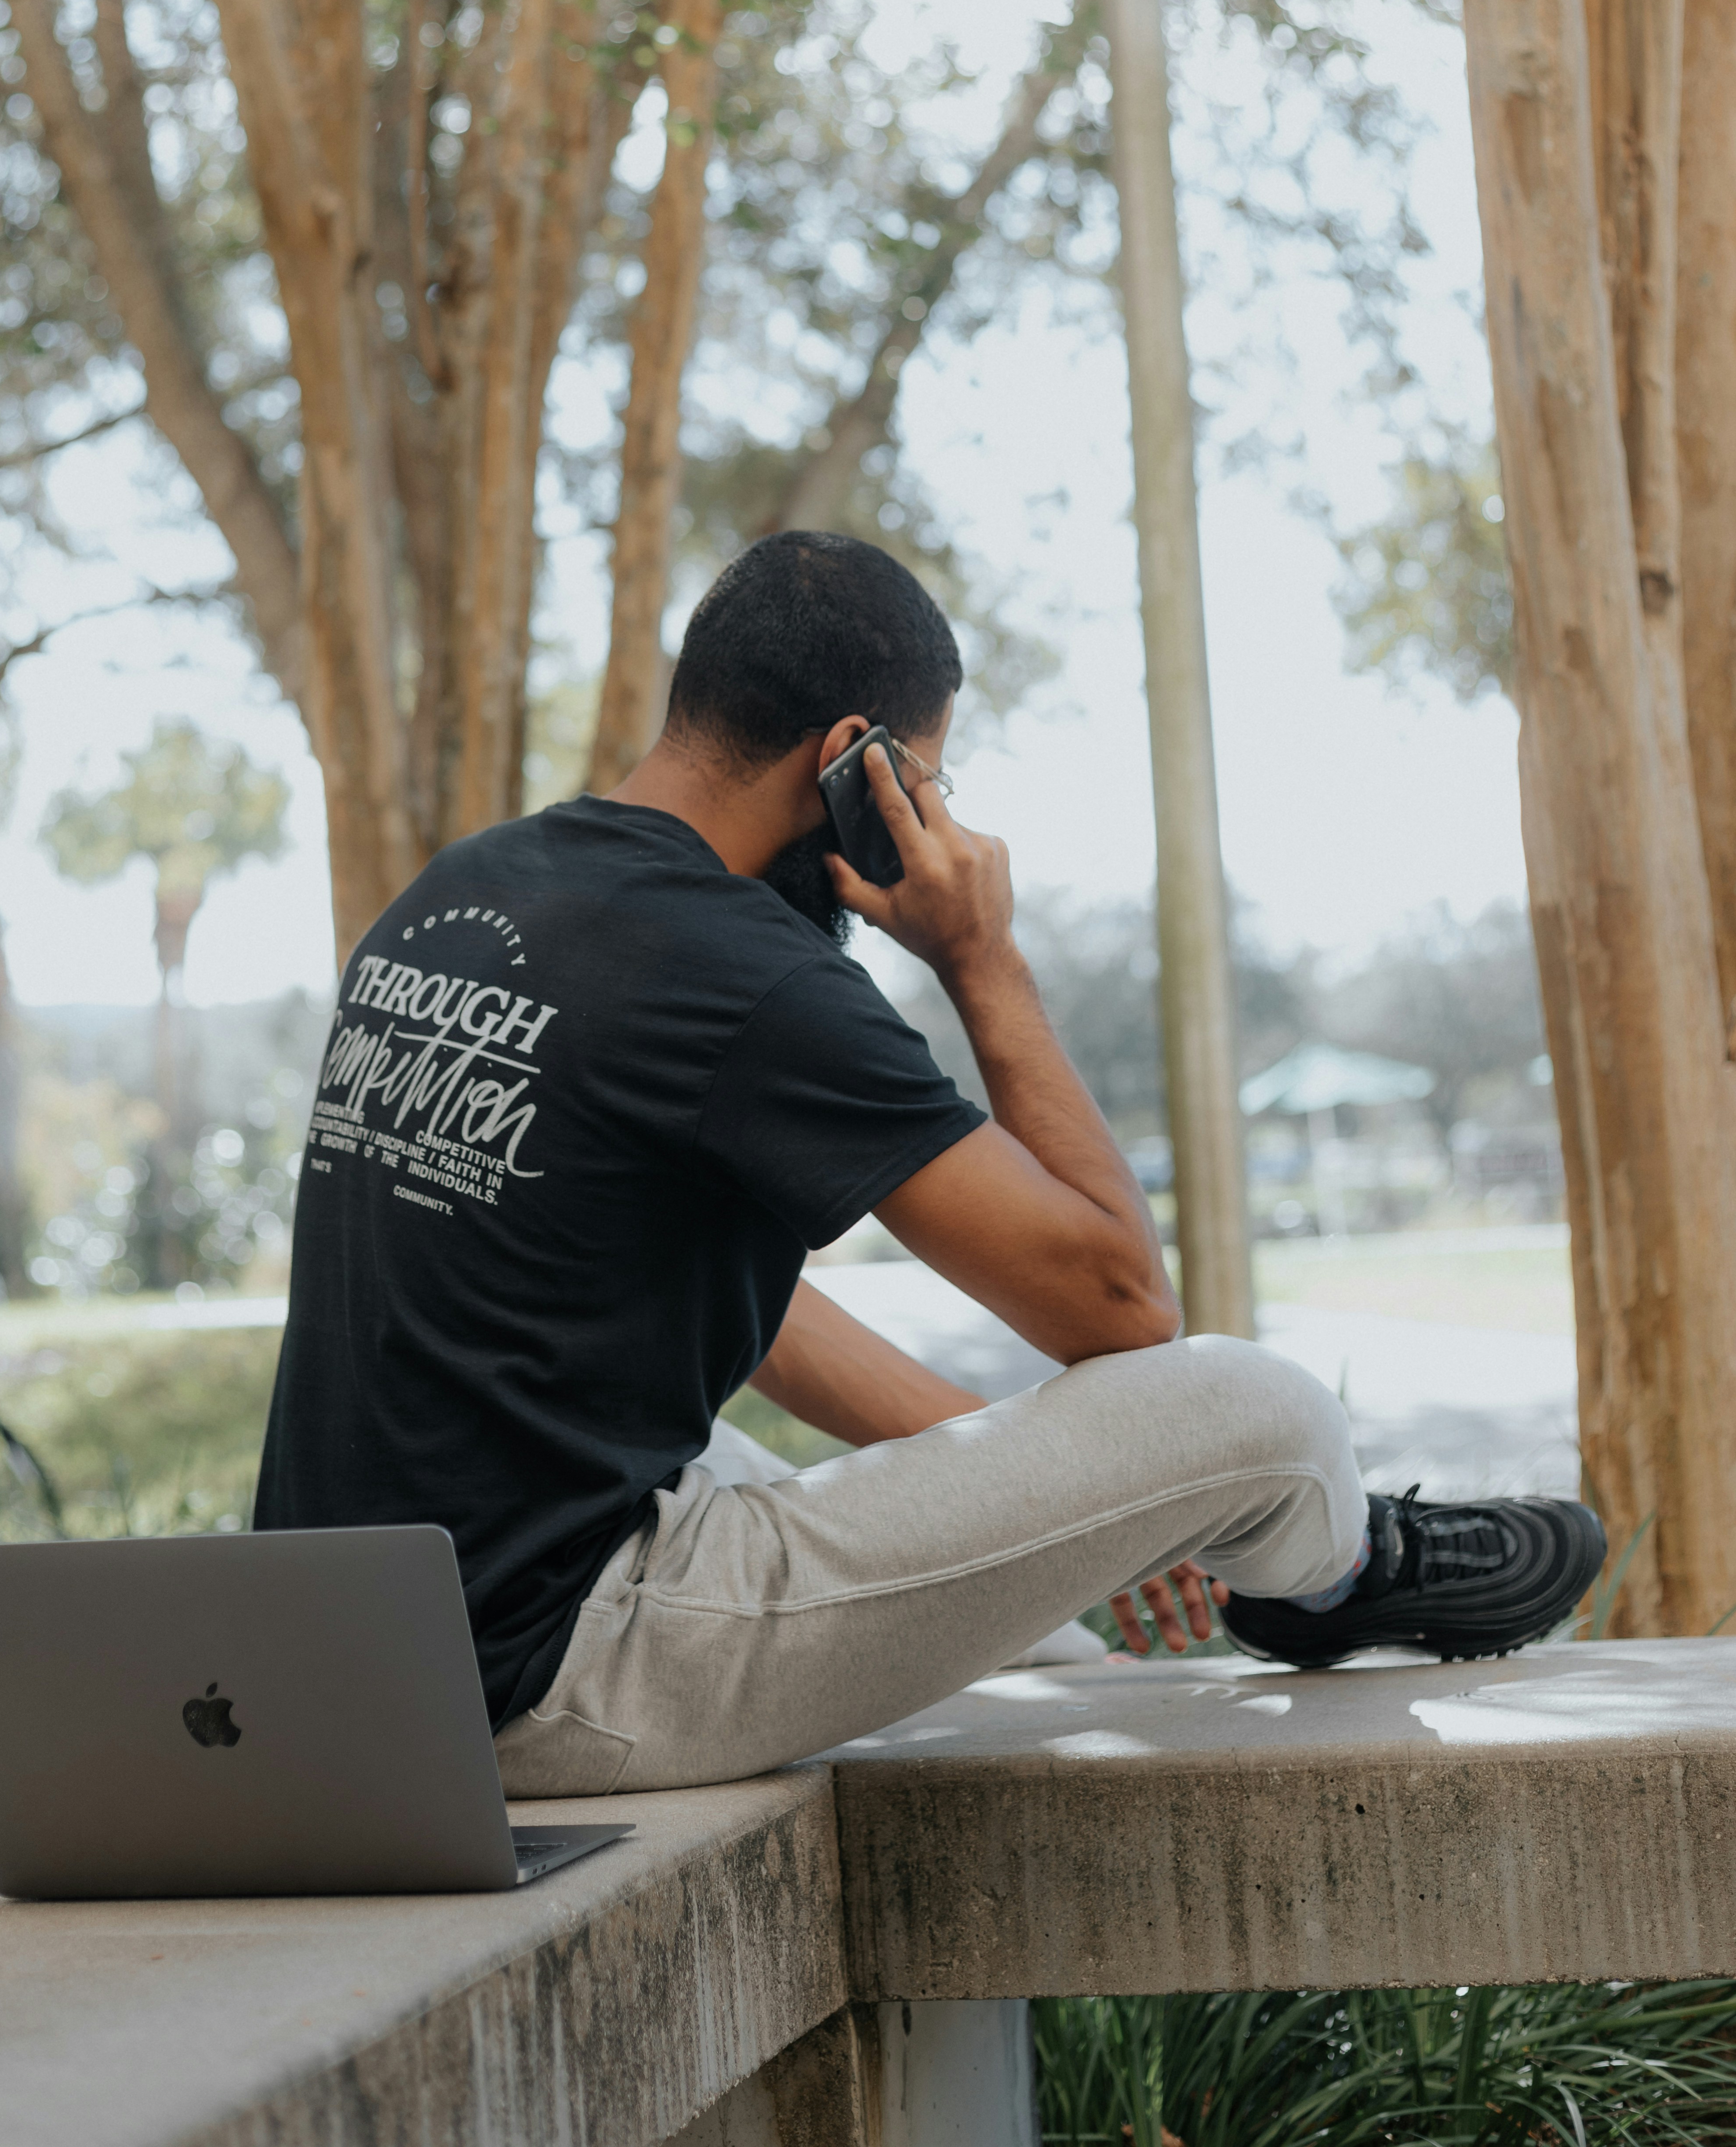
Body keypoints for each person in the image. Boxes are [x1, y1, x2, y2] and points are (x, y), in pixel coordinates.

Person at [255, 532, 1604, 1793]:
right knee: (1257, 1407)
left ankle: (1207, 1564)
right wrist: (979, 957)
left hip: (358, 1659)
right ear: (858, 760)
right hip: (551, 1676)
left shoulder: (467, 892)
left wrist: (1076, 1507)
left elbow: (725, 1305)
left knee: (1061, 1656)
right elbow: (1119, 1307)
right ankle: (1342, 1570)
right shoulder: (741, 974)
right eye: (930, 781)